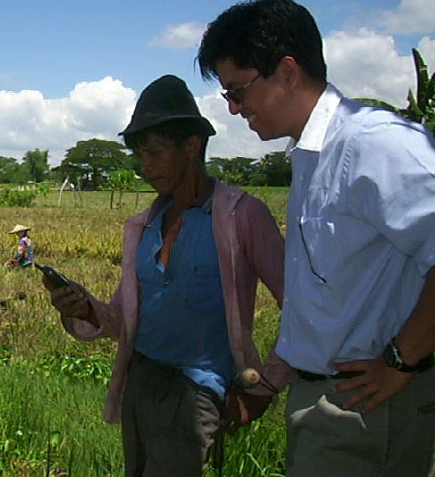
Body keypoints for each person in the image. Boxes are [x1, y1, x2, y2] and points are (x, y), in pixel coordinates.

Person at [197, 0, 435, 477]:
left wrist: (400, 361)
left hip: (369, 412)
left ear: (287, 72)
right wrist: (269, 386)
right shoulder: (309, 156)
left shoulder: (374, 144)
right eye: (227, 96)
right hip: (328, 406)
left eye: (238, 91)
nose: (234, 108)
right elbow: (321, 304)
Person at [42, 74, 292, 476]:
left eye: (155, 153)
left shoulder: (241, 215)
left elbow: (299, 305)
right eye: (140, 156)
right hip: (140, 384)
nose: (145, 168)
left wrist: (266, 387)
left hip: (197, 394)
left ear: (192, 146)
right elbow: (123, 318)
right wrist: (84, 308)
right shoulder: (143, 225)